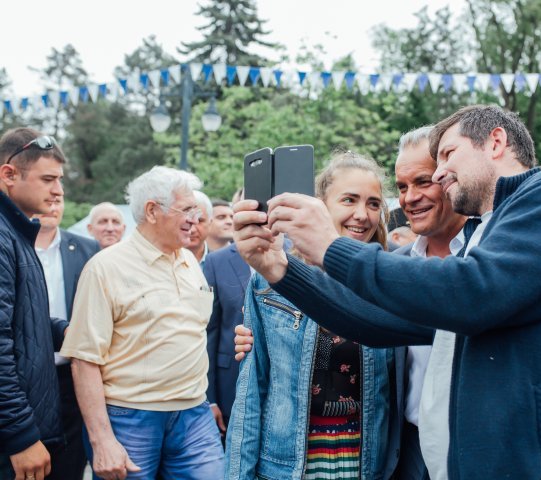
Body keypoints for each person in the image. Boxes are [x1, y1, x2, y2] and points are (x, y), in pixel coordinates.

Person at [233, 105, 541, 478]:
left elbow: (472, 292)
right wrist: (280, 271)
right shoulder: (492, 228)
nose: (441, 173)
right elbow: (378, 320)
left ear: (495, 142)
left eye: (447, 155)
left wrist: (330, 247)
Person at [224, 152, 395, 480]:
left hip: (363, 461)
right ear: (319, 205)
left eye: (374, 203)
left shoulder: (388, 280)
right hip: (285, 466)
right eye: (349, 200)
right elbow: (251, 392)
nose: (362, 215)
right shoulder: (273, 277)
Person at [60, 166, 224, 480]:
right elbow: (83, 360)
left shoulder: (189, 261)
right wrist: (102, 440)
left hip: (194, 415)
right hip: (129, 418)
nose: (196, 216)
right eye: (187, 209)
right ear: (152, 210)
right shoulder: (105, 268)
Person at [0, 128, 67, 480]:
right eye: (48, 179)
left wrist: (66, 331)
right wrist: (20, 436)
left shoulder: (16, 231)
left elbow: (20, 322)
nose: (58, 190)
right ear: (9, 175)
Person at [35, 196, 100, 480]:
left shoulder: (86, 247)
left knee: (70, 462)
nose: (52, 204)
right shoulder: (12, 245)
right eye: (46, 196)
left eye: (59, 199)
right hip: (23, 377)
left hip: (72, 372)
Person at [203, 231, 252, 438]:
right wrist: (210, 399)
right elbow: (209, 331)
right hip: (229, 383)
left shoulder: (295, 250)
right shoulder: (217, 260)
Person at [187, 190, 212, 266]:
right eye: (187, 221)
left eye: (200, 221)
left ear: (210, 223)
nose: (192, 230)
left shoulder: (222, 263)